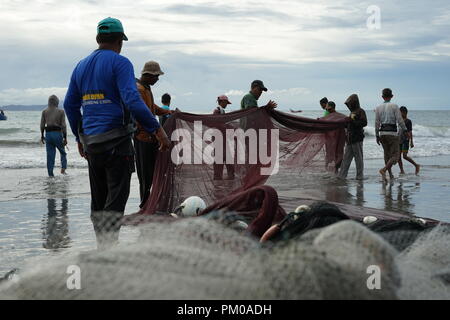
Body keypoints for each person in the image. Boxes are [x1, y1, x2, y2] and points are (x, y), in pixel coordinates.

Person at [64, 17, 170, 247]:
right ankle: (109, 253)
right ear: (119, 41)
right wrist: (157, 130)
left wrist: (79, 136)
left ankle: (102, 248)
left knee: (99, 200)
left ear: (98, 39)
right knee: (115, 200)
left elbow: (70, 106)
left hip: (92, 145)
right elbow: (132, 99)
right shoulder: (120, 63)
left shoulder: (80, 66)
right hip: (117, 143)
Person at [134, 60, 173, 208]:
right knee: (145, 175)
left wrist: (167, 111)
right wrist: (158, 133)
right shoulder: (139, 89)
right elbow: (143, 114)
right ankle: (145, 204)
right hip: (142, 138)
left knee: (151, 173)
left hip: (150, 139)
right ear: (149, 75)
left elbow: (152, 108)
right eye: (156, 76)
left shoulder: (146, 88)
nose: (157, 79)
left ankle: (149, 202)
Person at [375, 88, 407, 182]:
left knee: (386, 155)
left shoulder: (378, 108)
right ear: (392, 96)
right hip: (392, 134)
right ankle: (384, 170)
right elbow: (400, 120)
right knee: (396, 156)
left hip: (382, 133)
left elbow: (377, 123)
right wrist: (405, 130)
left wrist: (377, 135)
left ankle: (389, 175)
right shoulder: (394, 106)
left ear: (382, 96)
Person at [338, 94, 367, 180]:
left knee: (358, 158)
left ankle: (359, 176)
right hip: (350, 139)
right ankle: (342, 176)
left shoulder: (361, 111)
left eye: (350, 104)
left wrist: (353, 120)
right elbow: (349, 125)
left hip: (357, 138)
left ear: (354, 103)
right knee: (346, 158)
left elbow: (364, 123)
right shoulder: (352, 112)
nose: (349, 106)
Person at [40, 95, 68, 177]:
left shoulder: (44, 111)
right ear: (57, 102)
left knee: (50, 156)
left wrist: (42, 136)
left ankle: (50, 174)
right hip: (57, 133)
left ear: (49, 102)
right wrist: (65, 137)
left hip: (48, 134)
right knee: (63, 152)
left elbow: (42, 125)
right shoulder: (61, 111)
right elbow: (64, 125)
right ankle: (63, 170)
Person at [213, 95, 235, 180]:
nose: (226, 104)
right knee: (220, 162)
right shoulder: (217, 111)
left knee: (227, 160)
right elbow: (217, 124)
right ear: (222, 102)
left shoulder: (222, 111)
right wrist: (228, 127)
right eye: (226, 103)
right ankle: (219, 183)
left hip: (223, 139)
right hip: (219, 140)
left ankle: (224, 182)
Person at [397, 106, 420, 175]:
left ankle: (416, 165)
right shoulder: (399, 121)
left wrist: (411, 142)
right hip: (399, 140)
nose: (399, 114)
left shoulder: (408, 121)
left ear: (405, 113)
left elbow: (410, 132)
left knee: (404, 156)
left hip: (405, 140)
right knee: (398, 157)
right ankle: (402, 170)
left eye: (400, 112)